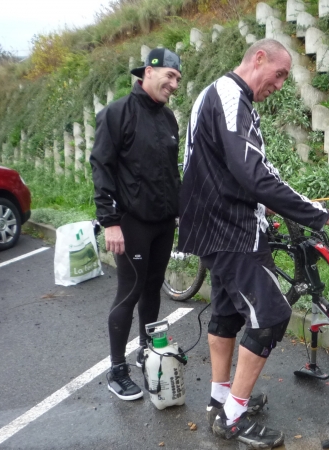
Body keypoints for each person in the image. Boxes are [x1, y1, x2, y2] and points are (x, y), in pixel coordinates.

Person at [177, 39, 329, 448]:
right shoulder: (230, 97)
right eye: (279, 74)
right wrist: (320, 214)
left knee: (227, 313)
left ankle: (220, 399)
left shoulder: (224, 96)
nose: (279, 85)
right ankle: (232, 418)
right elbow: (253, 174)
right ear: (258, 58)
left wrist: (289, 204)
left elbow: (252, 169)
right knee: (272, 315)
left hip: (218, 225)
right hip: (229, 229)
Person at [90, 48, 183, 401]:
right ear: (148, 72)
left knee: (153, 288)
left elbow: (171, 173)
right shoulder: (116, 113)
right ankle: (117, 370)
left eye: (178, 79)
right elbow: (101, 168)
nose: (174, 84)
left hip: (163, 222)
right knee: (129, 292)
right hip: (131, 223)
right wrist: (110, 222)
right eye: (170, 76)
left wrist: (180, 210)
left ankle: (148, 351)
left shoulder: (168, 118)